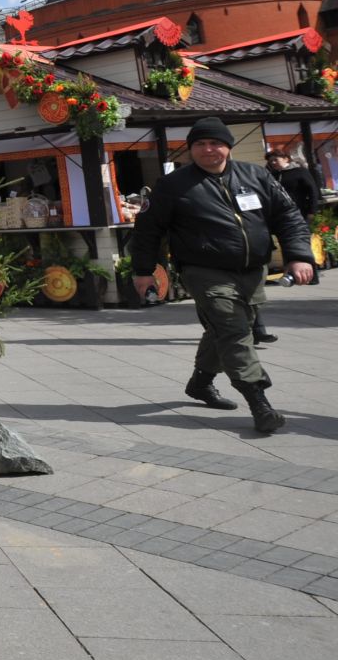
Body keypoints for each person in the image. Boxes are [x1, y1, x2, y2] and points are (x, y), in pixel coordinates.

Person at [129, 117, 314, 433]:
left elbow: (288, 216)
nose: (208, 149)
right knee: (234, 329)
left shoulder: (256, 175)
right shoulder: (172, 186)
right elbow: (148, 230)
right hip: (203, 270)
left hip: (252, 270)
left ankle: (200, 383)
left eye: (215, 142)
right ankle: (259, 403)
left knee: (223, 329)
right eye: (199, 144)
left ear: (228, 146)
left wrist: (298, 255)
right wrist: (143, 271)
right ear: (190, 149)